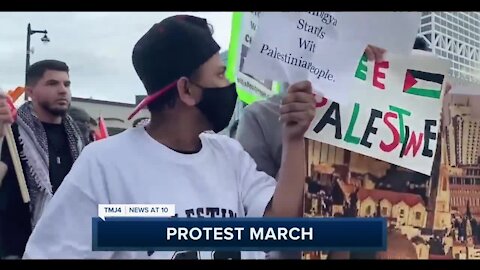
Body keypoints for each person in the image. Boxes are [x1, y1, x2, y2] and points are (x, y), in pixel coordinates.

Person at [20, 15, 316, 259]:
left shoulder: (230, 156)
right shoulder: (105, 165)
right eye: (220, 74)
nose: (229, 85)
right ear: (186, 90)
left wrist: (294, 139)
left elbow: (280, 223)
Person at [235, 37, 438, 260]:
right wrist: (294, 144)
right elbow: (257, 232)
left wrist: (440, 119)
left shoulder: (408, 123)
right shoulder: (263, 118)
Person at [0, 60, 86, 259]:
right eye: (52, 84)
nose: (63, 90)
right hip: (18, 249)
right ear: (30, 92)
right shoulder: (12, 133)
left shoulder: (80, 136)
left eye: (67, 84)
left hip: (69, 247)